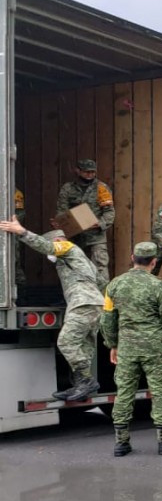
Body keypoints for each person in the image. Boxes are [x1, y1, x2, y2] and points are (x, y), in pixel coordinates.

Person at [0, 217, 102, 401]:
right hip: (93, 304)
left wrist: (21, 232)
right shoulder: (79, 259)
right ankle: (79, 385)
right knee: (84, 347)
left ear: (57, 241)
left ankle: (86, 381)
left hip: (83, 303)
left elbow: (47, 247)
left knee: (66, 342)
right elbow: (97, 281)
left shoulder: (67, 247)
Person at [101, 242, 162, 457]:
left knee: (124, 392)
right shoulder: (158, 286)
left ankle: (121, 443)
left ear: (132, 257)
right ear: (154, 262)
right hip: (154, 347)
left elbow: (107, 318)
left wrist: (113, 345)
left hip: (127, 346)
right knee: (159, 391)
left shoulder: (114, 285)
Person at [56, 159, 115, 289]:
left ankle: (103, 297)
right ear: (78, 171)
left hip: (96, 235)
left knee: (100, 265)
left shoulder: (101, 188)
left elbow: (109, 212)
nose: (90, 175)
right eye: (86, 172)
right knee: (73, 265)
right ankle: (77, 295)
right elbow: (62, 210)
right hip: (75, 235)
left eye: (92, 172)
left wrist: (100, 224)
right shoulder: (68, 188)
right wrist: (62, 225)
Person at [13, 189, 25, 287]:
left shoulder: (15, 193)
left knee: (14, 263)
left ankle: (21, 297)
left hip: (9, 233)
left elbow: (20, 214)